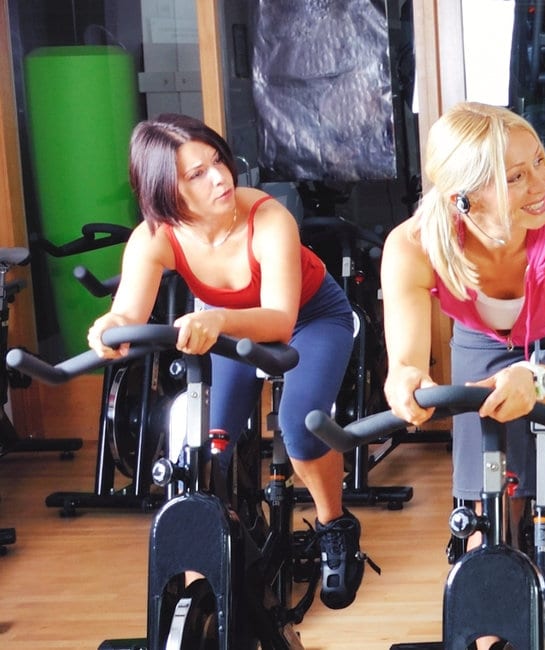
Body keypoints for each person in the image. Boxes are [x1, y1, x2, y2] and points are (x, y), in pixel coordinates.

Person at [379, 102, 545, 639]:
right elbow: (404, 360)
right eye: (516, 177)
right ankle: (496, 568)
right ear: (463, 196)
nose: (541, 182)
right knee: (485, 454)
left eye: (540, 162)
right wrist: (405, 381)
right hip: (487, 330)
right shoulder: (413, 245)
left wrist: (535, 378)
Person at [88, 114, 368, 608]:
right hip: (226, 325)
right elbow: (127, 310)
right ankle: (221, 546)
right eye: (196, 174)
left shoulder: (268, 218)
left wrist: (216, 318)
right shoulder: (155, 237)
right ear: (164, 190)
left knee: (301, 429)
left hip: (312, 316)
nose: (219, 177)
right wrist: (109, 329)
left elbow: (280, 321)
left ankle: (335, 525)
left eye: (217, 161)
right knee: (209, 443)